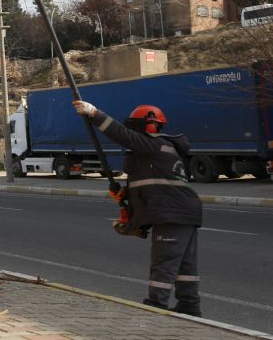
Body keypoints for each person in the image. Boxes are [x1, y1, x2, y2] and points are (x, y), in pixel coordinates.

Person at [73, 100, 203, 317]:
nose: (132, 132)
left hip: (172, 214)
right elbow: (154, 187)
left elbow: (122, 134)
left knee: (164, 262)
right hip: (185, 212)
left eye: (135, 127)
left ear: (148, 126)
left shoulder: (153, 144)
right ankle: (189, 307)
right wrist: (125, 196)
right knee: (185, 266)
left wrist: (94, 113)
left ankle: (156, 305)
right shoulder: (160, 151)